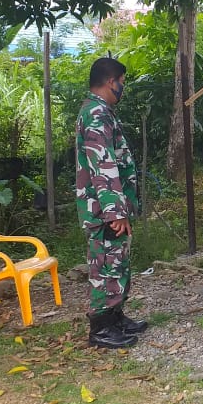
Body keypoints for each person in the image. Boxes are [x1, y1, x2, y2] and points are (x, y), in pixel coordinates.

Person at [75, 57, 146, 348]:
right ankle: (101, 328)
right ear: (110, 81)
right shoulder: (95, 114)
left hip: (111, 208)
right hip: (103, 210)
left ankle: (116, 317)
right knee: (105, 267)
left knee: (117, 264)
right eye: (122, 82)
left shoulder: (102, 111)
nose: (123, 88)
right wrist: (114, 211)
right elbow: (102, 165)